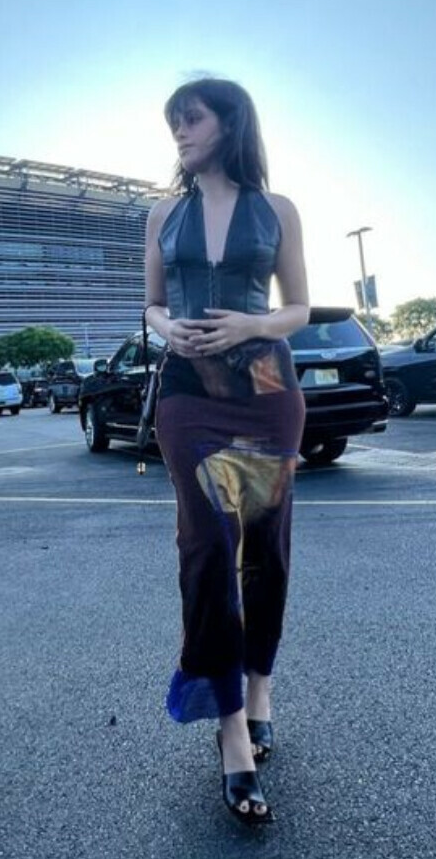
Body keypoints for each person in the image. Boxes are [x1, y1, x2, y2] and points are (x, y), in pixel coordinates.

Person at [144, 77, 309, 825]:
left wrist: (252, 325)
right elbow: (151, 304)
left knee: (265, 547)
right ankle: (232, 726)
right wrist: (165, 327)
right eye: (173, 123)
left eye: (191, 119)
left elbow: (297, 306)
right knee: (208, 545)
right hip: (187, 391)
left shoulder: (277, 210)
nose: (179, 132)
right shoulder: (162, 214)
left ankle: (260, 686)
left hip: (267, 387)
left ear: (230, 123)